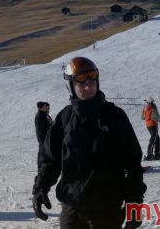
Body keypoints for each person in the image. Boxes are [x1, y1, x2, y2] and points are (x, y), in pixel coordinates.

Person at [33, 57, 146, 228]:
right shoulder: (65, 118)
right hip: (72, 208)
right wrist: (41, 187)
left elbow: (132, 164)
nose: (87, 87)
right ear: (71, 86)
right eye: (81, 83)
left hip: (107, 209)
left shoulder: (114, 116)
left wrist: (134, 205)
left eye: (92, 80)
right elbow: (50, 159)